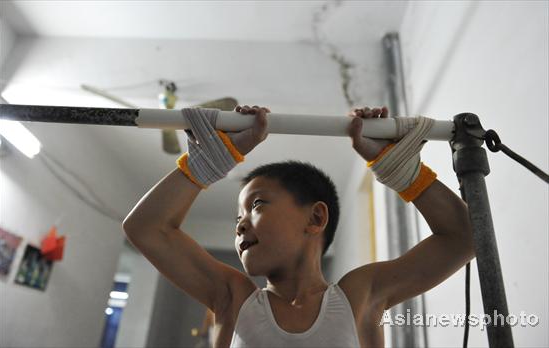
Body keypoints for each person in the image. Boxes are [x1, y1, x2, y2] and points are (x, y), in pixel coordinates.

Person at [123, 105, 474, 347]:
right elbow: (146, 228)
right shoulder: (232, 297)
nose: (241, 225)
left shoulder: (360, 295)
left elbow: (465, 238)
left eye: (256, 205)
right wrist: (210, 163)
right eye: (236, 219)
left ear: (316, 218)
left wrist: (401, 170)